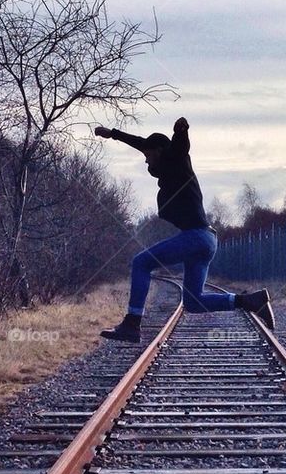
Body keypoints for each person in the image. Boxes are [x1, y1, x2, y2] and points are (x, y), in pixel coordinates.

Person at [93, 117, 274, 342]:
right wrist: (113, 134)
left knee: (141, 262)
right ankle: (248, 301)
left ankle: (132, 324)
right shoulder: (167, 164)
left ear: (159, 151)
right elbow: (142, 143)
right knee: (193, 302)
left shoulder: (176, 160)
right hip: (207, 240)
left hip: (196, 237)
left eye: (148, 156)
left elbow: (179, 147)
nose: (146, 162)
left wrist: (181, 130)